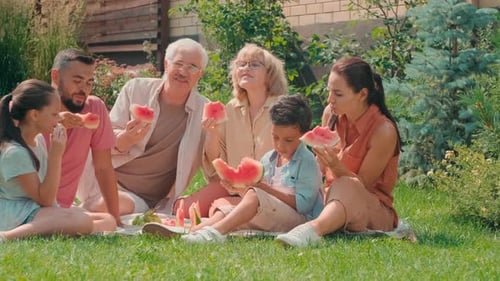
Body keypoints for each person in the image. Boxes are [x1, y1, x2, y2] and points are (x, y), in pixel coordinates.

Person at [143, 94, 324, 243]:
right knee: (226, 209)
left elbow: (303, 205)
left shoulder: (307, 162)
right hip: (272, 215)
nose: (280, 145)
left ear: (304, 135)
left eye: (288, 140)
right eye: (275, 137)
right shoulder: (268, 159)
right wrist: (239, 189)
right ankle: (190, 234)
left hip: (299, 223)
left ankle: (214, 234)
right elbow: (258, 201)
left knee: (250, 197)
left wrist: (261, 189)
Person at [276, 57, 402, 247]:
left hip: (372, 211)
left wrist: (336, 166)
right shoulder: (331, 114)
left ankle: (311, 231)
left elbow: (361, 186)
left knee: (347, 184)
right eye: (329, 91)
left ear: (362, 94)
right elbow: (317, 170)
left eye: (338, 94)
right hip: (329, 201)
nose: (330, 99)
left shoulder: (383, 131)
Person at [76, 38, 209, 215]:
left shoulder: (205, 113)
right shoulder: (136, 89)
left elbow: (214, 159)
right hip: (97, 176)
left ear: (200, 74)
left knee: (108, 205)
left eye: (192, 67)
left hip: (137, 197)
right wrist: (126, 138)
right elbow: (104, 138)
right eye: (178, 63)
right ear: (167, 64)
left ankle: (67, 214)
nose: (183, 72)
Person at [176, 43, 288, 217]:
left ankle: (229, 211)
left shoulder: (283, 108)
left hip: (272, 189)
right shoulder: (230, 109)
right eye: (241, 64)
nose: (245, 68)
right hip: (231, 186)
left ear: (270, 74)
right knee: (184, 211)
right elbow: (215, 162)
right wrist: (212, 133)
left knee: (218, 209)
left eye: (254, 64)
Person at [0, 80, 113, 243]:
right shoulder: (15, 152)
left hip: (36, 210)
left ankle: (68, 227)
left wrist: (61, 118)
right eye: (54, 114)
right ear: (34, 115)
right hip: (15, 214)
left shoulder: (36, 139)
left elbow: (47, 203)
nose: (58, 118)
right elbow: (45, 199)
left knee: (107, 219)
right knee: (81, 220)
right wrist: (56, 155)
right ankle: (7, 237)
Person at [48, 48, 121, 225]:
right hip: (25, 204)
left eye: (89, 83)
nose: (84, 90)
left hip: (62, 209)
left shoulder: (95, 108)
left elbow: (104, 167)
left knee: (107, 222)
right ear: (56, 77)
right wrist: (53, 124)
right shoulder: (29, 108)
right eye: (77, 81)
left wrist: (116, 219)